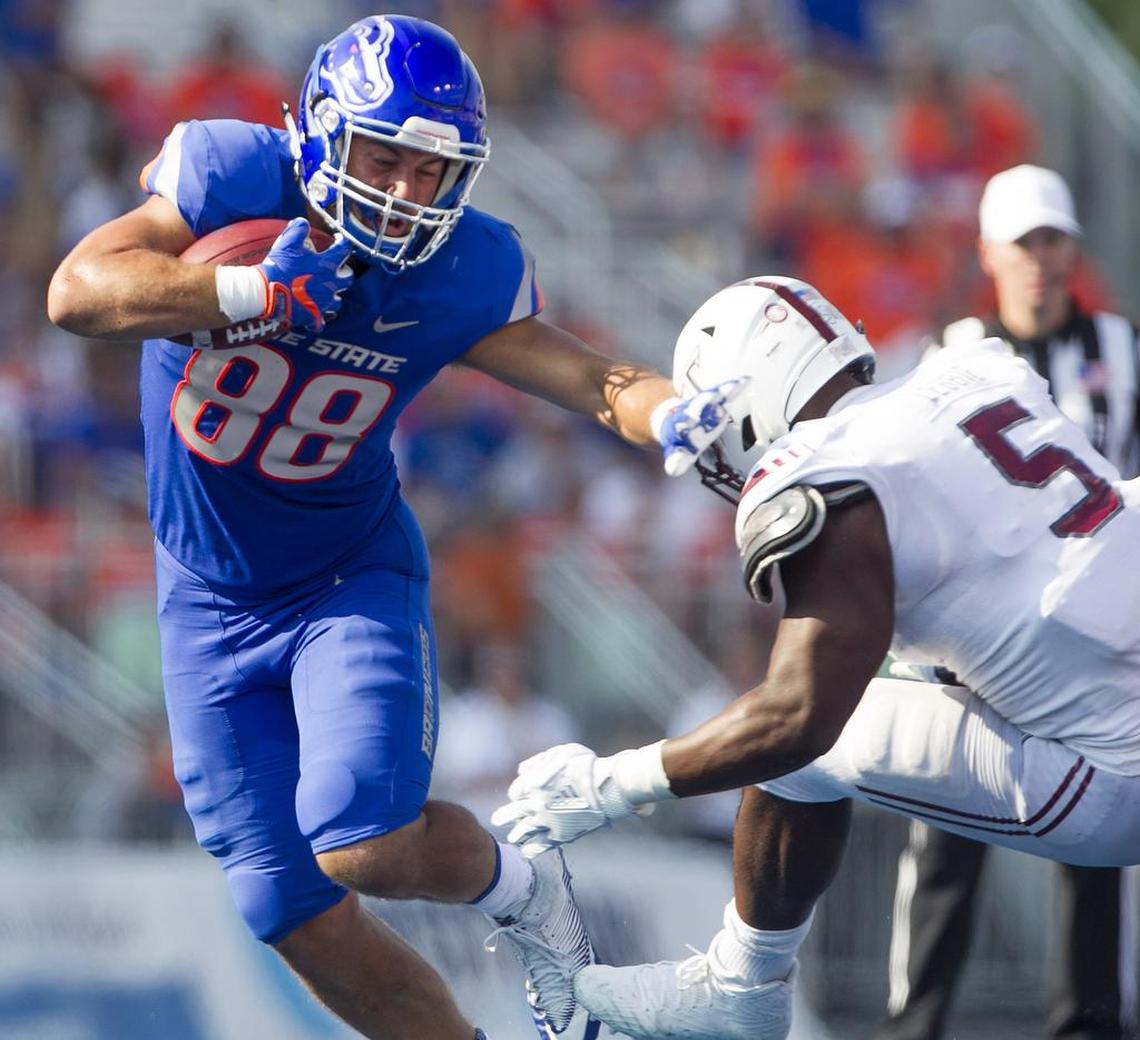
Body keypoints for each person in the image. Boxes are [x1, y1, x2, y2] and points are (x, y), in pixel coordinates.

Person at [44, 15, 728, 1040]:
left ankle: (523, 886)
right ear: (321, 132)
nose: (409, 191)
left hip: (342, 576)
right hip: (203, 594)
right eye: (387, 156)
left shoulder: (460, 268)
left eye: (433, 168)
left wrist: (677, 412)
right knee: (284, 905)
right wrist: (248, 288)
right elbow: (77, 292)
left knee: (360, 841)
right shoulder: (232, 176)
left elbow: (590, 376)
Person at [492, 274, 1140, 1040]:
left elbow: (800, 719)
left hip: (1112, 769)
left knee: (794, 740)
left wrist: (609, 784)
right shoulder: (977, 367)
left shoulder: (824, 467)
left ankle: (742, 989)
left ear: (750, 393)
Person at [878, 163, 1140, 1040]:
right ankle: (917, 1025)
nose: (1040, 259)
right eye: (1024, 242)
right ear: (990, 252)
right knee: (947, 835)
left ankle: (1089, 1026)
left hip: (1097, 640)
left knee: (1097, 845)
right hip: (984, 645)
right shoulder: (952, 354)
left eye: (1052, 239)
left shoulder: (1122, 349)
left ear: (1073, 247)